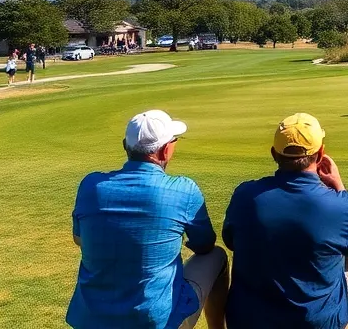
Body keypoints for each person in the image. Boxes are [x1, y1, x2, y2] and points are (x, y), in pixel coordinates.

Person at [66, 109, 228, 329]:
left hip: (90, 321)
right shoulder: (184, 189)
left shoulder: (90, 185)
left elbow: (79, 239)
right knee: (217, 255)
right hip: (156, 322)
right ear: (165, 150)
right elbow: (204, 244)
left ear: (126, 146)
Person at [223, 113, 348, 329]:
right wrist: (340, 188)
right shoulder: (340, 205)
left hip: (248, 322)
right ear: (321, 153)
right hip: (317, 323)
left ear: (274, 154)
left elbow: (230, 240)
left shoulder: (244, 195)